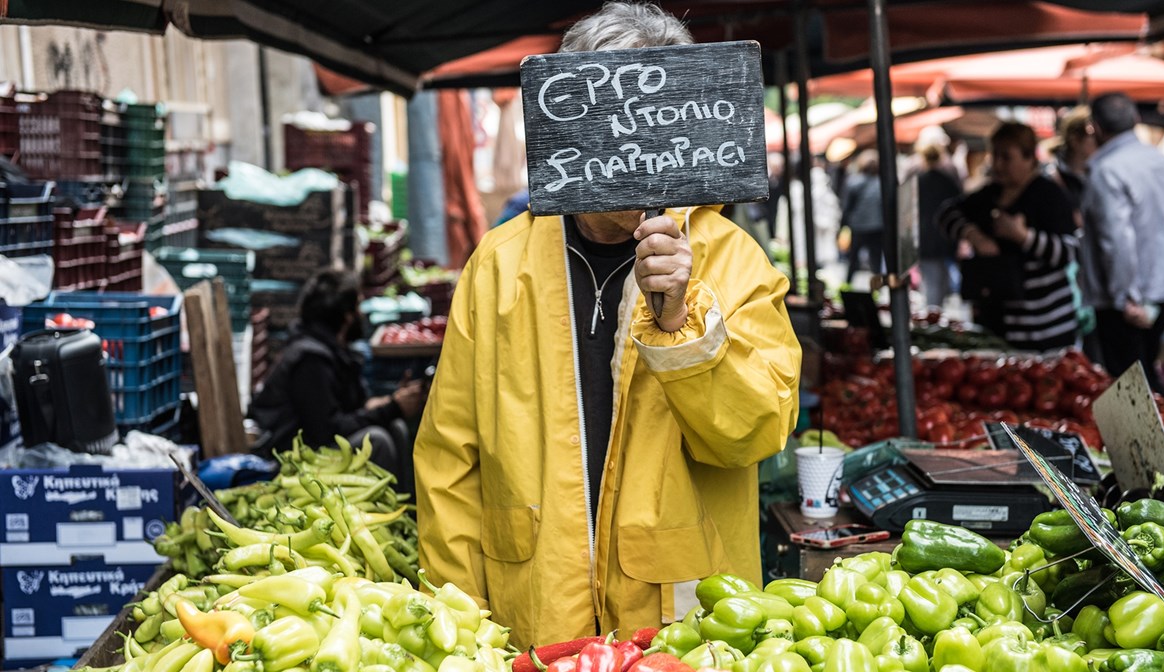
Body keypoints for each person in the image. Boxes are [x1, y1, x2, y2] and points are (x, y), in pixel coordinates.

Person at [413, 2, 802, 648]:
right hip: (530, 627)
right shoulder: (497, 265)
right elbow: (449, 461)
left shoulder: (732, 260)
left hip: (682, 629)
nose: (632, 144)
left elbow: (757, 433)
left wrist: (682, 317)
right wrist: (459, 625)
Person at [248, 270, 425, 489]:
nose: (361, 313)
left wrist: (393, 402)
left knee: (395, 425)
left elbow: (354, 406)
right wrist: (390, 408)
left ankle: (404, 511)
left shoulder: (334, 350)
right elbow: (326, 430)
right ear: (346, 316)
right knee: (377, 440)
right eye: (358, 306)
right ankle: (387, 513)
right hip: (297, 454)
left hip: (322, 438)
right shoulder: (311, 360)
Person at [938, 122, 1079, 351]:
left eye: (1006, 157)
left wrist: (1023, 236)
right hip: (995, 326)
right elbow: (946, 213)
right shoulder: (988, 195)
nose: (998, 165)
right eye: (994, 156)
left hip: (1043, 331)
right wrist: (974, 236)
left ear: (1028, 158)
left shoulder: (1049, 195)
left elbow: (1069, 252)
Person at [1078, 93, 1164, 393]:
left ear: (1095, 128)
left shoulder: (1107, 169)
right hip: (1162, 290)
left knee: (1131, 388)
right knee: (1145, 379)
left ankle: (1156, 440)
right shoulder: (1161, 162)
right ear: (1135, 120)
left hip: (1127, 299)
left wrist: (1126, 296)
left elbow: (1117, 240)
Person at [913, 143, 963, 307]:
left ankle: (932, 317)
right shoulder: (947, 180)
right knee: (939, 281)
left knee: (932, 282)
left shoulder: (919, 181)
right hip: (944, 237)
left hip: (925, 237)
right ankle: (934, 317)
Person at [840, 150, 885, 280]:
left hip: (858, 226)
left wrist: (843, 225)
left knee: (853, 260)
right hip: (877, 226)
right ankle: (877, 287)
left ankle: (847, 285)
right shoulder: (880, 182)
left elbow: (847, 207)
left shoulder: (853, 181)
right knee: (875, 259)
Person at [1043, 106, 1096, 211]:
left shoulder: (1099, 173)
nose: (1099, 140)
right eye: (1093, 134)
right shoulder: (1049, 175)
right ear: (1074, 139)